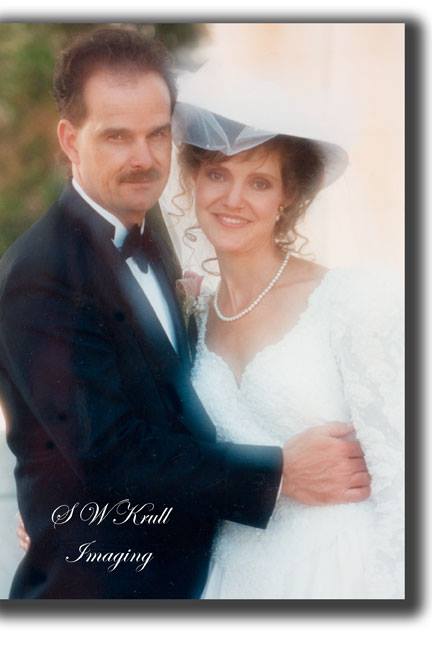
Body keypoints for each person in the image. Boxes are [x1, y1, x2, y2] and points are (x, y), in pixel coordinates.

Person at [1, 27, 370, 599]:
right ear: (70, 140)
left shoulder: (150, 226)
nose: (143, 158)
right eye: (117, 136)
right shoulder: (39, 274)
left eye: (157, 134)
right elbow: (108, 454)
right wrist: (280, 473)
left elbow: (168, 401)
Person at [171, 88, 404, 598]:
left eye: (259, 182)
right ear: (193, 181)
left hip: (339, 574)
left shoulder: (351, 301)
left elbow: (407, 483)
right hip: (231, 577)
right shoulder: (192, 313)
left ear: (287, 198)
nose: (233, 199)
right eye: (217, 174)